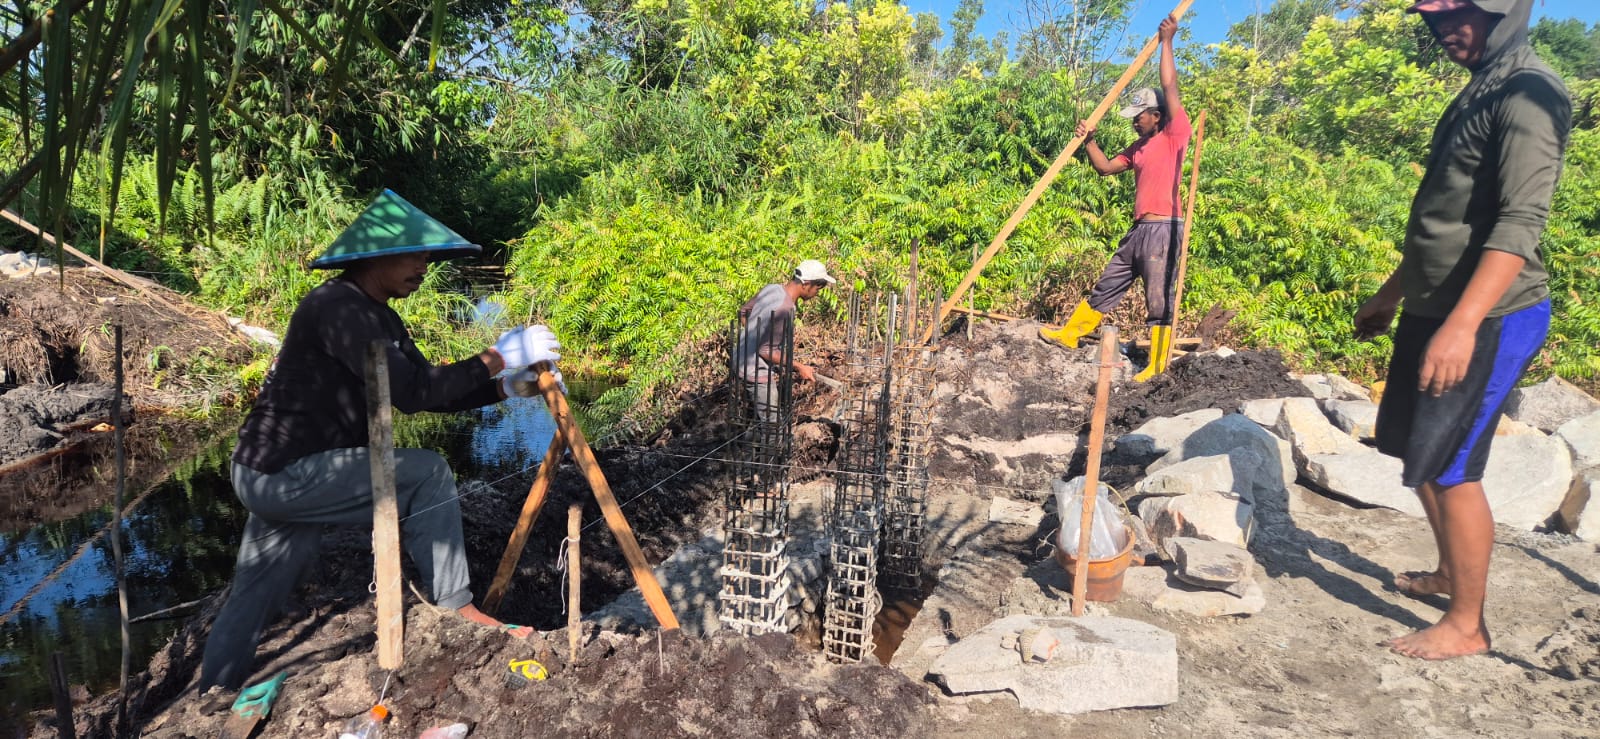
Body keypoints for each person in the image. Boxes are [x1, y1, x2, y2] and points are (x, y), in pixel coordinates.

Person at [200, 190, 564, 691]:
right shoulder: (337, 308)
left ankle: (215, 687)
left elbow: (427, 393)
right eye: (414, 254)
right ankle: (459, 608)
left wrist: (504, 386)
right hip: (287, 470)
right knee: (428, 471)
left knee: (257, 586)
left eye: (428, 255)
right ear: (375, 256)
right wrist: (497, 356)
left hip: (271, 470)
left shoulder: (381, 316)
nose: (424, 265)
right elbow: (413, 393)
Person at [1354, 0, 1569, 660]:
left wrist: (1463, 325)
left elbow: (1517, 224)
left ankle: (1467, 624)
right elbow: (1443, 219)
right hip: (1433, 305)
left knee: (1451, 465)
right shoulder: (1481, 87)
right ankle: (1449, 571)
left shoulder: (1531, 93)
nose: (1444, 30)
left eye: (1458, 15)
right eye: (1433, 19)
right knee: (1413, 448)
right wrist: (1392, 295)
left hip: (1489, 316)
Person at [1039, 14, 1191, 382]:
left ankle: (1158, 361)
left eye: (1139, 117)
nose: (1134, 122)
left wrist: (1167, 42)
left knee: (1158, 294)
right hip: (1140, 229)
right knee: (1111, 280)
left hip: (1165, 227)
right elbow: (1106, 168)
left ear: (1157, 116)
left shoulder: (1174, 135)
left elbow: (1169, 87)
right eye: (1133, 117)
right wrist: (1089, 140)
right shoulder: (1138, 147)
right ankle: (1072, 333)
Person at [734, 259, 836, 422]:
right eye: (817, 288)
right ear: (806, 284)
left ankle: (755, 445)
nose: (817, 293)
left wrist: (752, 338)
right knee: (773, 427)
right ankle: (771, 447)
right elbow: (765, 351)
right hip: (755, 370)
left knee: (760, 420)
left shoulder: (772, 289)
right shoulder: (784, 309)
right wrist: (799, 366)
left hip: (740, 357)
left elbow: (743, 311)